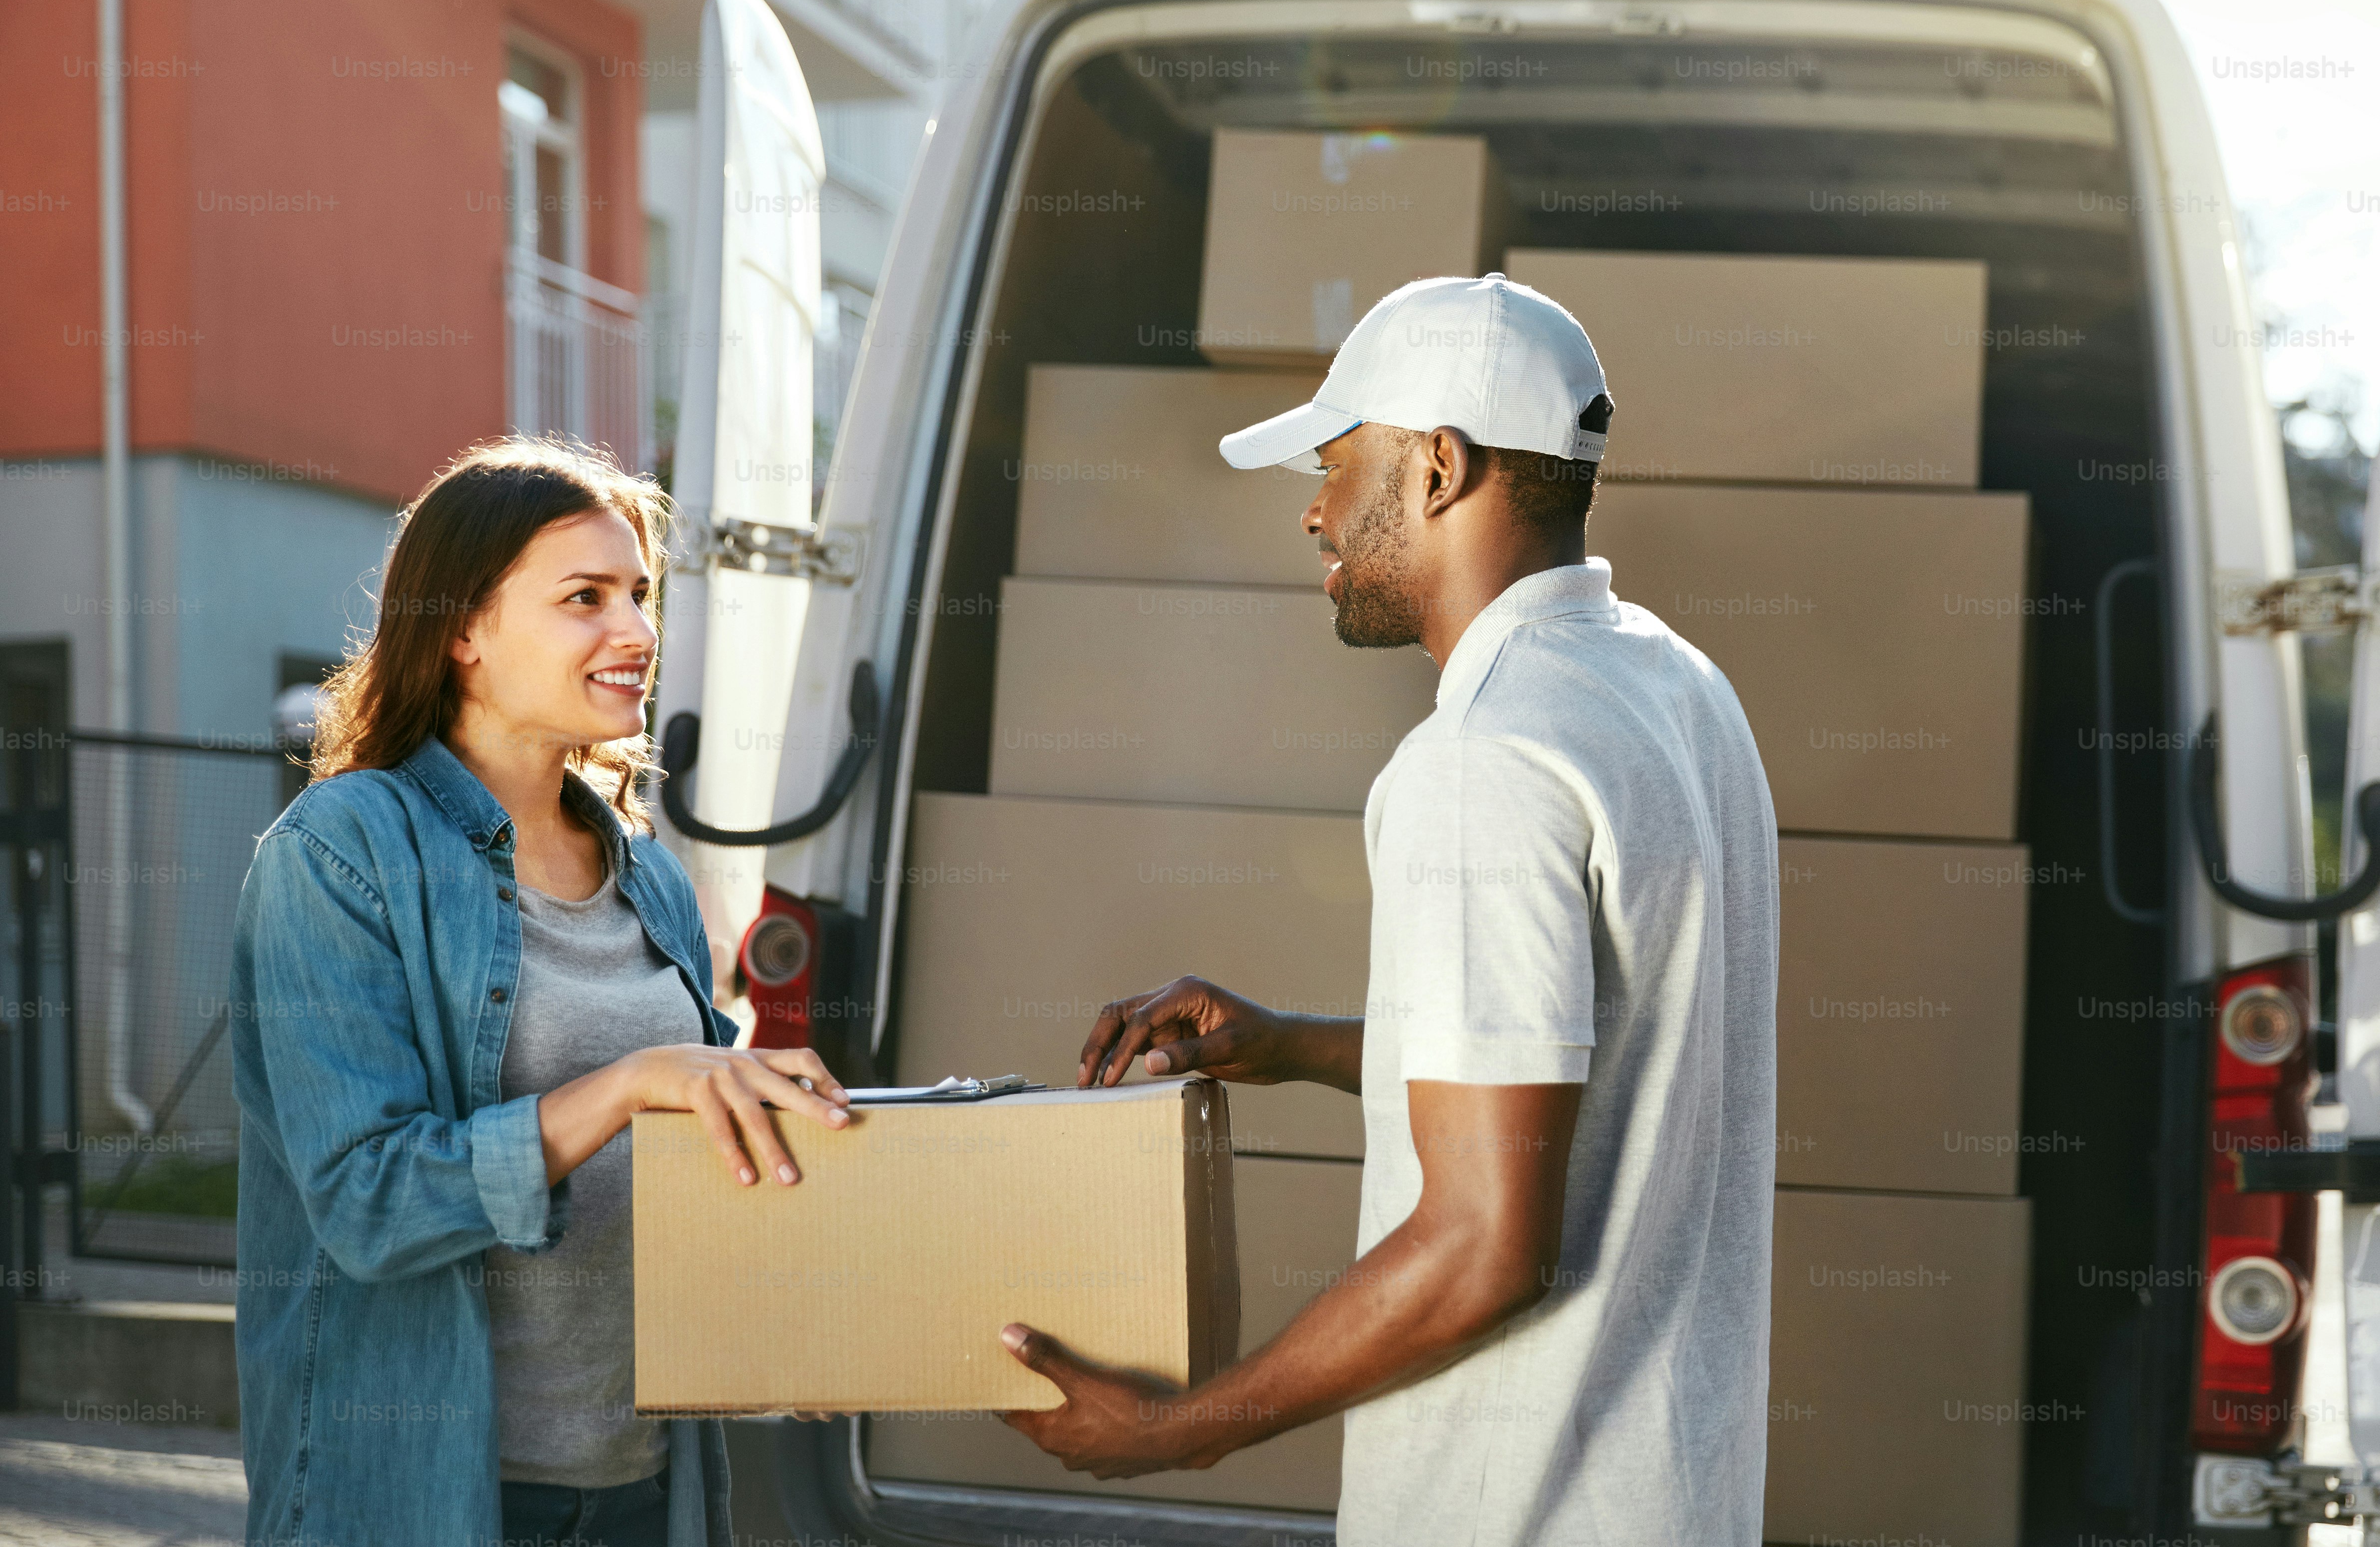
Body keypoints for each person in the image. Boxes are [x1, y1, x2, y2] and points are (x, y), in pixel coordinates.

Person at [998, 275, 1781, 1545]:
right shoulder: (1677, 689)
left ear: (1435, 468)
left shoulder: (1484, 758)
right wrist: (1299, 1044)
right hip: (1672, 1495)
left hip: (1523, 1507)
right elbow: (1599, 1058)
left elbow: (1482, 1246)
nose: (1312, 512)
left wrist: (1172, 1430)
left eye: (1335, 465)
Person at [230, 438, 853, 1547]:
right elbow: (367, 1200)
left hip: (642, 1484)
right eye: (584, 598)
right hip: (433, 1493)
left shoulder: (645, 869)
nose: (635, 632)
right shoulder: (341, 853)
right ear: (462, 629)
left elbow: (678, 1162)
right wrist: (632, 1083)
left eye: (638, 595)